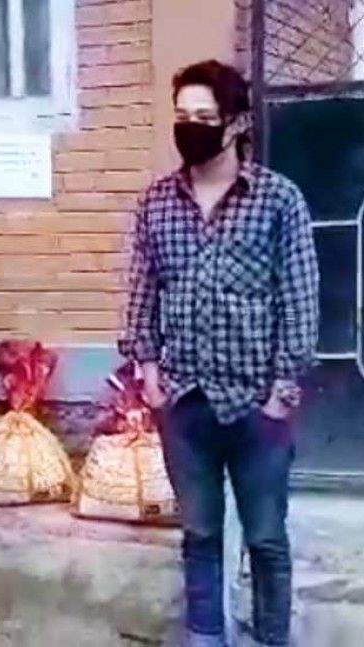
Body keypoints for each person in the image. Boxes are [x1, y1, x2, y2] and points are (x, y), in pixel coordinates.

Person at [121, 60, 320, 647]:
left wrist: (283, 389)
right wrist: (148, 371)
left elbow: (300, 296)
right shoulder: (156, 204)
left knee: (265, 538)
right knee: (200, 534)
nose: (190, 127)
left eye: (204, 117)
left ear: (236, 123)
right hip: (184, 402)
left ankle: (272, 636)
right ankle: (206, 636)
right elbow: (142, 291)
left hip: (259, 403)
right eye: (182, 115)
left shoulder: (278, 200)